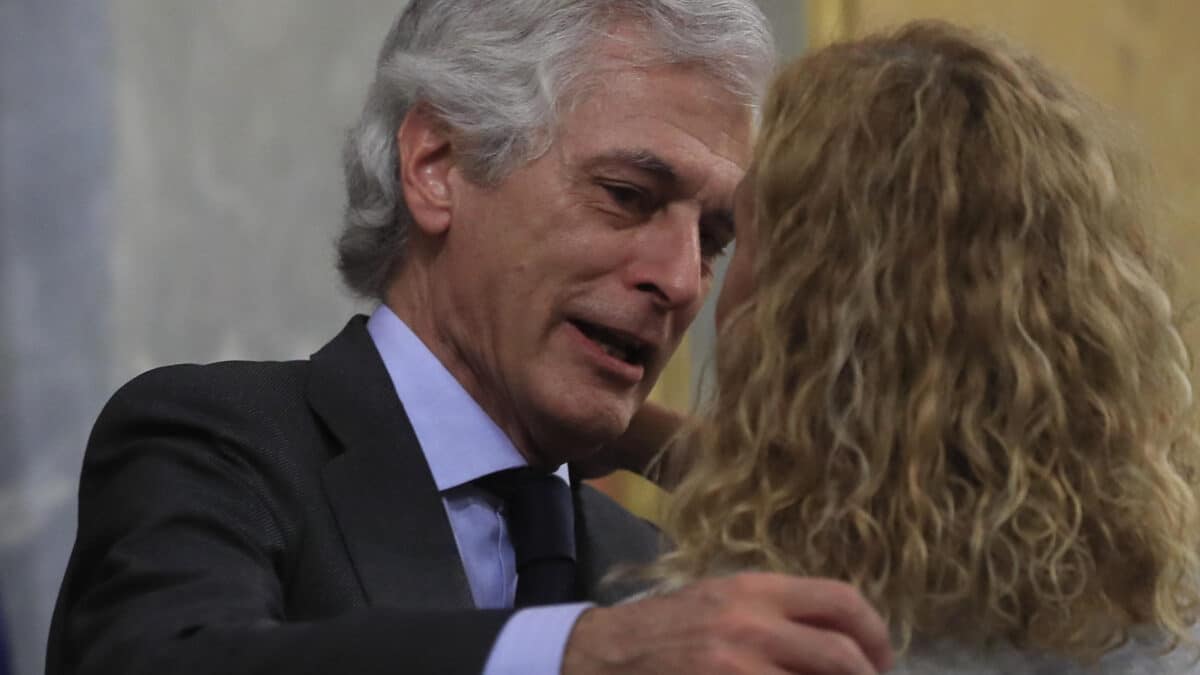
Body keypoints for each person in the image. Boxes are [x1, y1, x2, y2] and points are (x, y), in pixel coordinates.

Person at [47, 2, 895, 675]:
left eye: (712, 238)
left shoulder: (653, 568)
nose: (680, 281)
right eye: (628, 195)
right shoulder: (217, 441)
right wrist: (572, 654)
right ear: (438, 165)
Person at [631, 19, 1200, 674]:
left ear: (797, 318)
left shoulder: (732, 639)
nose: (694, 286)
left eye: (738, 238)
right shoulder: (1164, 620)